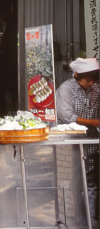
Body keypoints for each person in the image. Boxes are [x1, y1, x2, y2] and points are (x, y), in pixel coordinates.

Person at [56, 57, 99, 224]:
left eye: (92, 80)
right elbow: (67, 116)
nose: (90, 83)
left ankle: (91, 221)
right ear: (76, 75)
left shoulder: (96, 89)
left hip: (90, 143)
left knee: (90, 181)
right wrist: (94, 122)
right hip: (70, 143)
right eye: (87, 80)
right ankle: (70, 220)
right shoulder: (65, 89)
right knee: (71, 181)